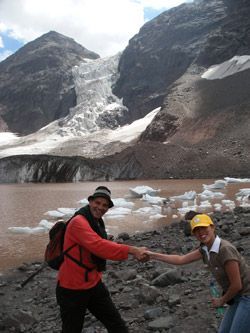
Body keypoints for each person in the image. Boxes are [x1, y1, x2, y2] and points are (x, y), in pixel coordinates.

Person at [56, 186, 148, 333]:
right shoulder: (78, 222)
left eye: (105, 205)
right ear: (90, 202)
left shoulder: (96, 222)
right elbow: (99, 246)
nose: (101, 207)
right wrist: (132, 250)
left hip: (92, 283)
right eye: (97, 203)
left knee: (116, 325)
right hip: (71, 288)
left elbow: (99, 242)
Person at [146, 213, 250, 333]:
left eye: (203, 227)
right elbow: (180, 259)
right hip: (237, 296)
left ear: (212, 227)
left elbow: (237, 285)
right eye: (196, 230)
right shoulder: (205, 249)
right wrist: (153, 255)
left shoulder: (225, 249)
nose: (200, 232)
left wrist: (221, 300)